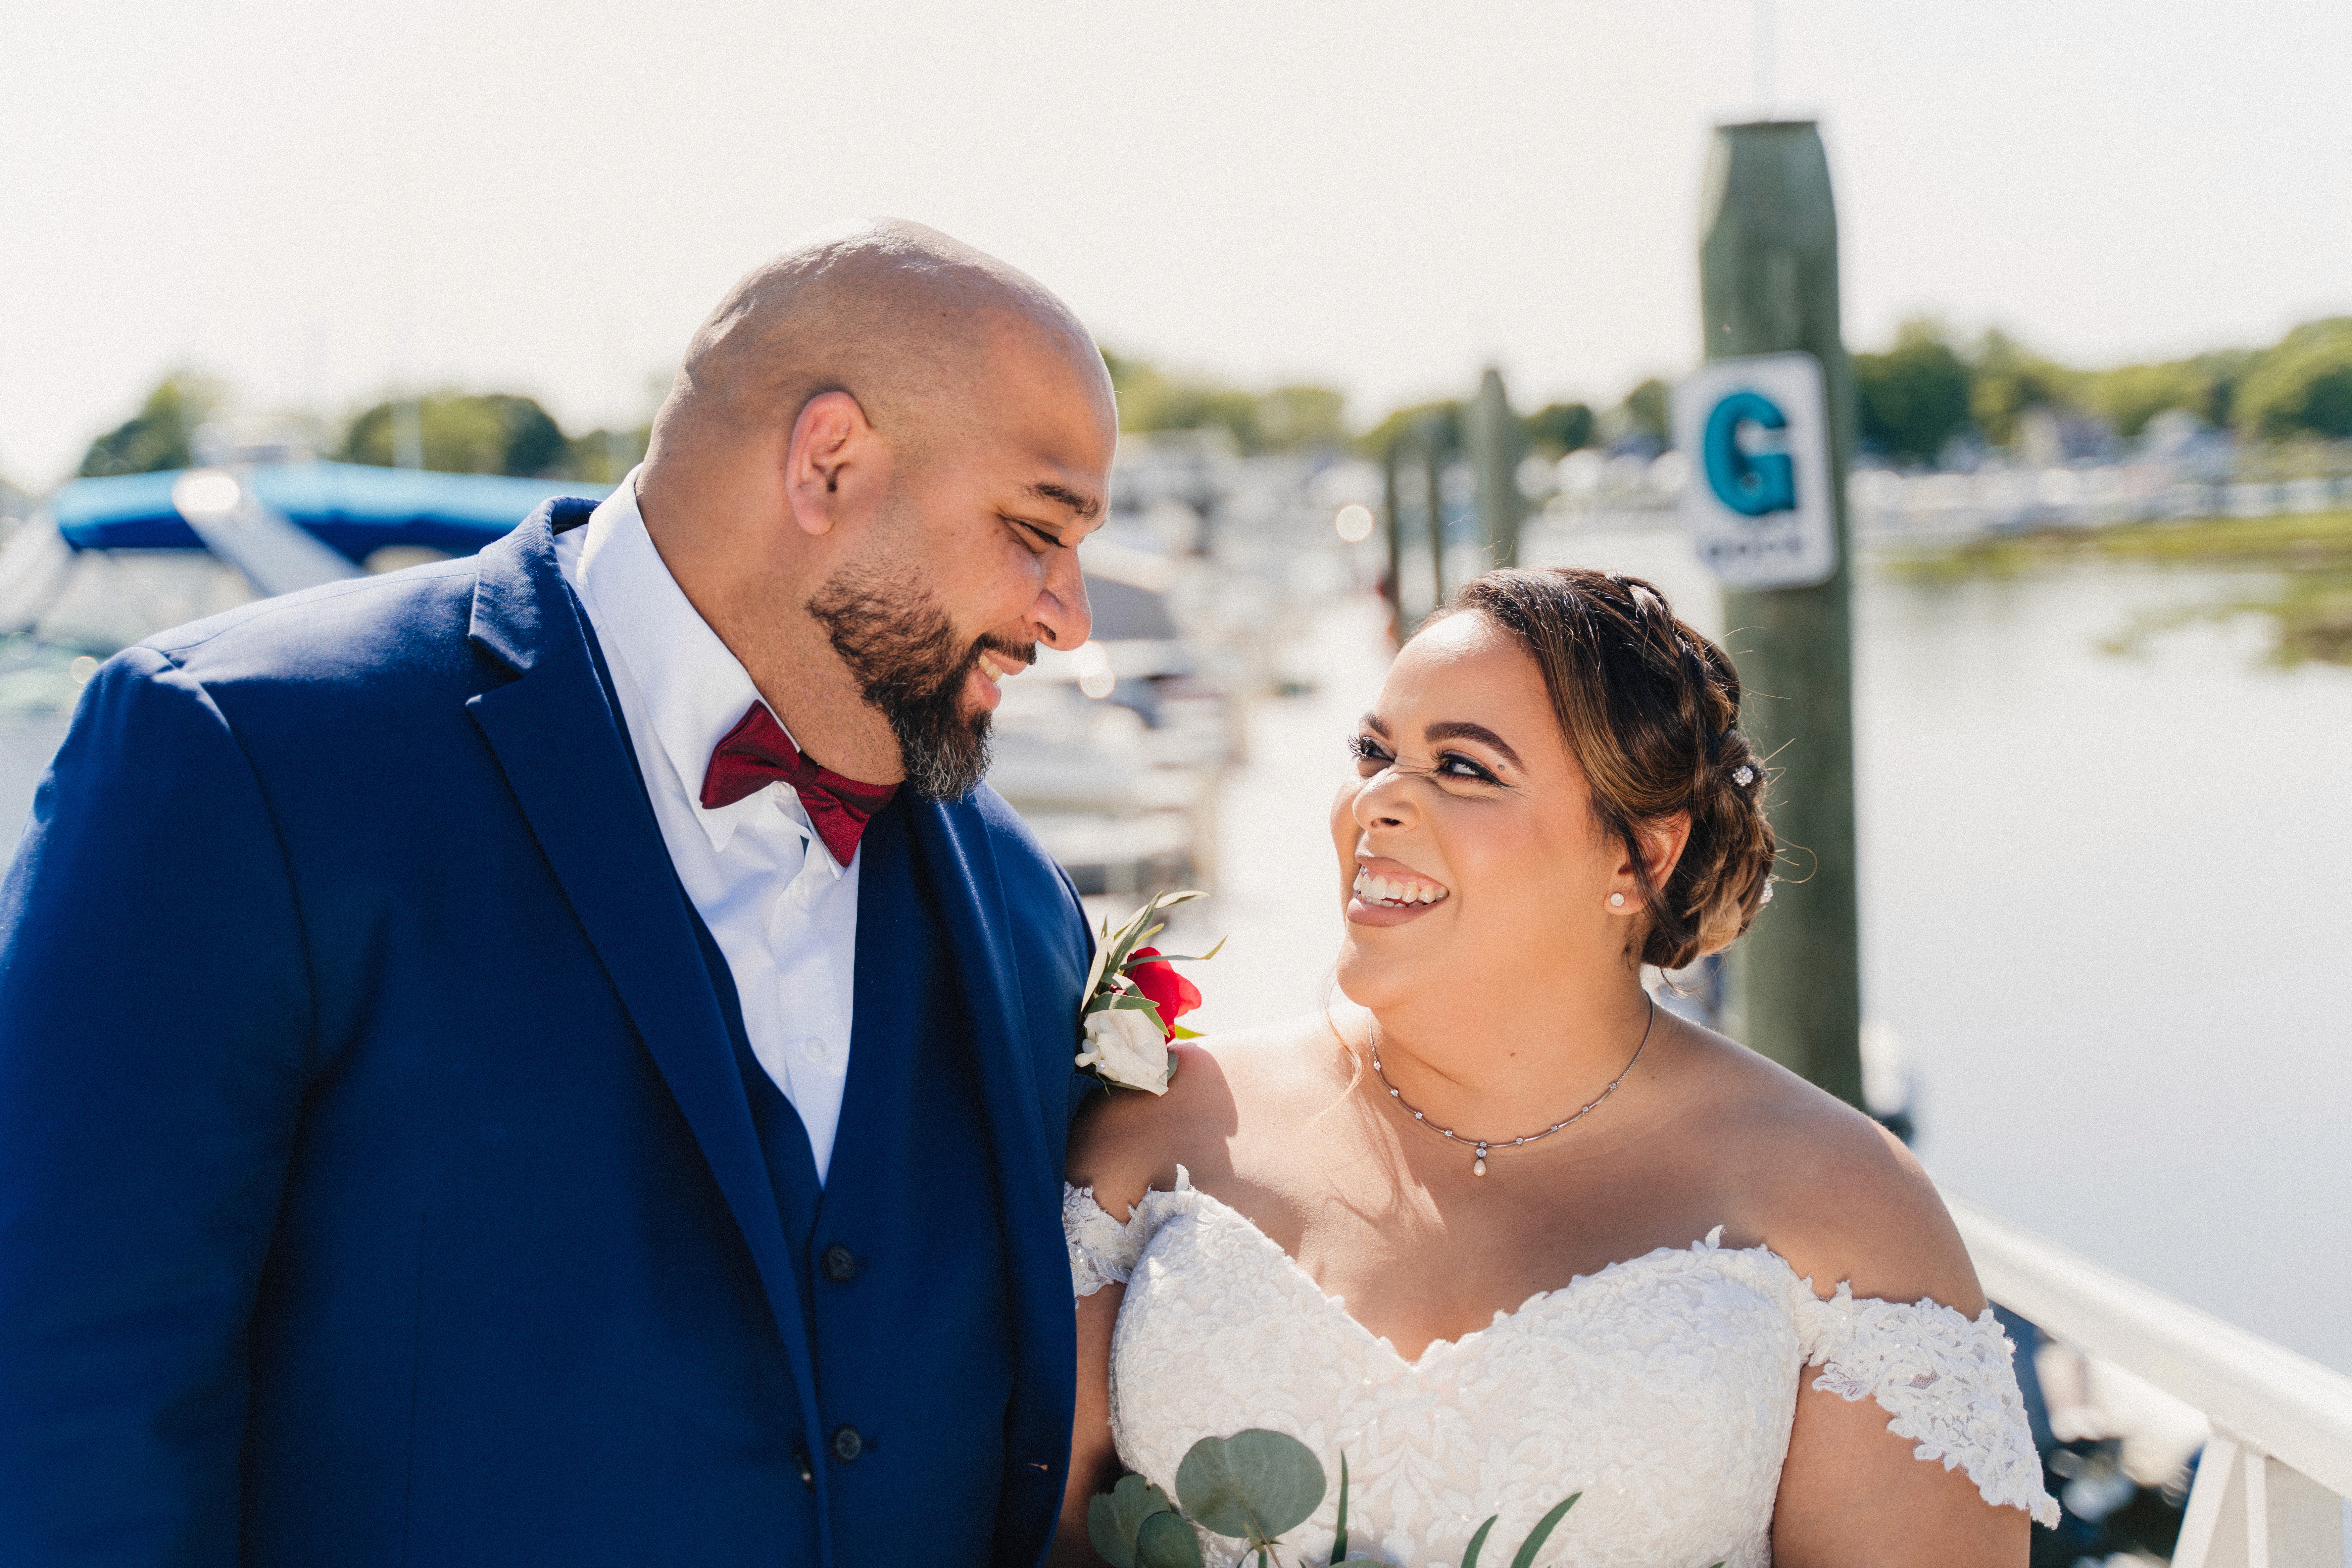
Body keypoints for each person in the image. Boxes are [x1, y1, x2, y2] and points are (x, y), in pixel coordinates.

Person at [0, 220, 1114, 1565]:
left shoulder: (1021, 901)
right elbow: (70, 1424)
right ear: (829, 464)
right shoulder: (248, 761)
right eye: (1036, 530)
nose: (1070, 614)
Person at [1057, 568, 2059, 1568]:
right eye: (1375, 752)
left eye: (1464, 768)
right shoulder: (1164, 1134)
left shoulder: (1843, 1205)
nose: (1377, 802)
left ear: (1640, 860)